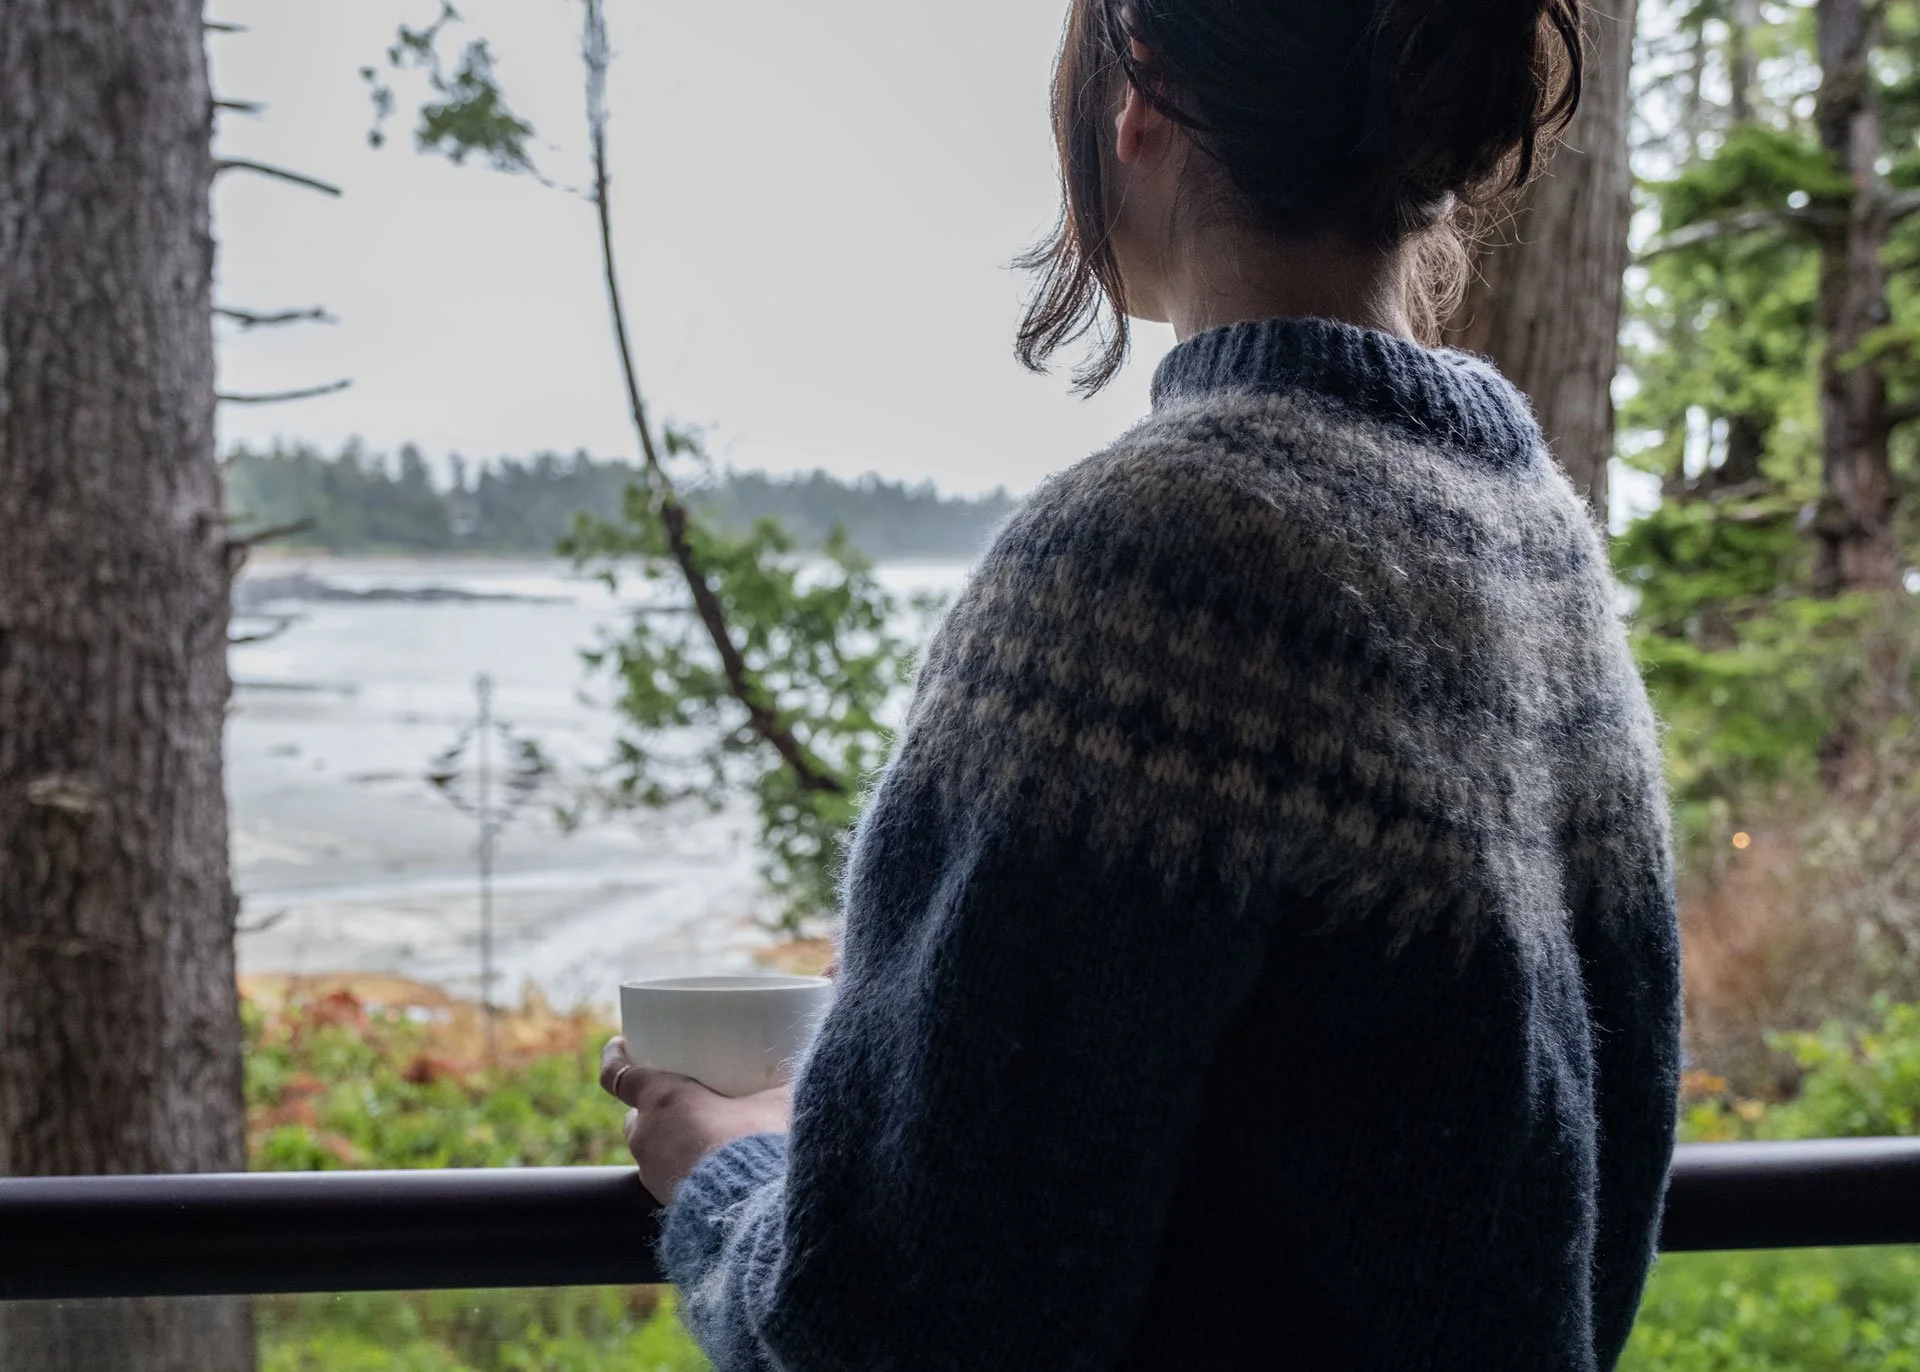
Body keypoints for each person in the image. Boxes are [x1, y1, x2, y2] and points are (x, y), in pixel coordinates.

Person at [600, 0, 1682, 1366]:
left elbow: (893, 1325)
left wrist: (724, 1169)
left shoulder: (1144, 570)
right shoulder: (1536, 548)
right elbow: (1597, 1210)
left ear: (1143, 93)